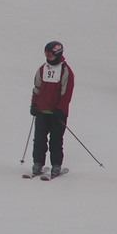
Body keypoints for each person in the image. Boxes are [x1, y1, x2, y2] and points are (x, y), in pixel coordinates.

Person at [30, 41, 75, 177]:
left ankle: (56, 165)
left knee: (56, 140)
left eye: (50, 54)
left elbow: (66, 92)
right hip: (42, 111)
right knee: (39, 140)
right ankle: (38, 163)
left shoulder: (65, 71)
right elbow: (37, 88)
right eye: (46, 54)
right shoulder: (43, 69)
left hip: (57, 113)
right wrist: (34, 104)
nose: (48, 57)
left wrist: (61, 109)